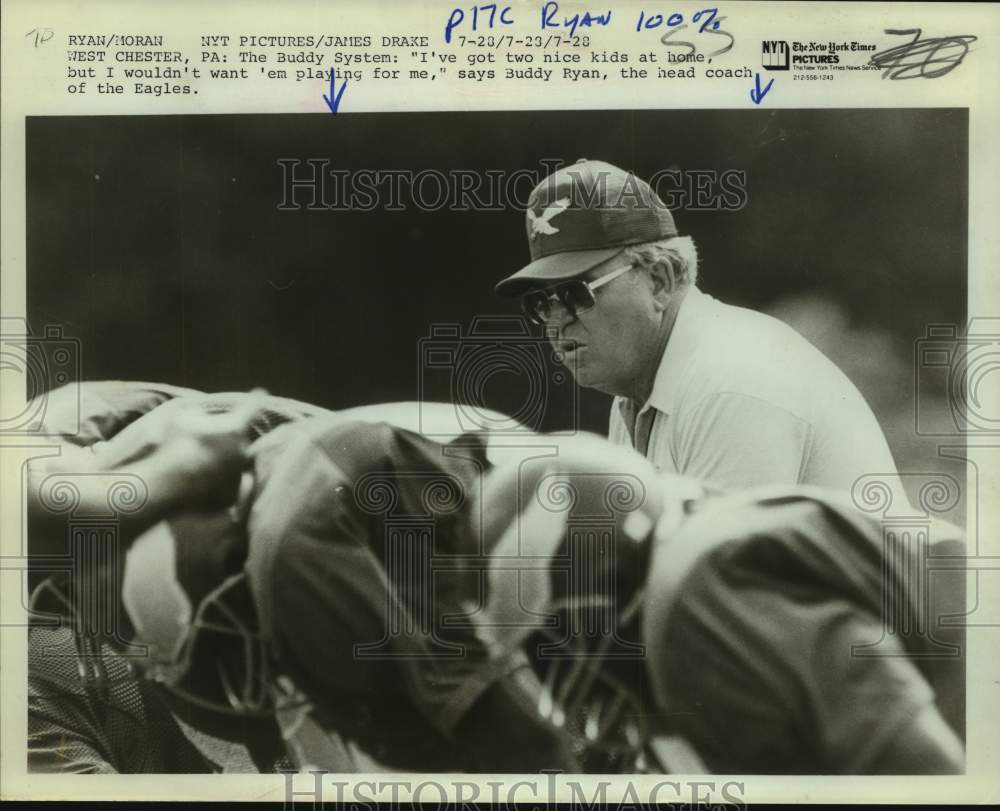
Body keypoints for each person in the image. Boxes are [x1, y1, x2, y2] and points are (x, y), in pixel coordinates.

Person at [478, 438, 966, 774]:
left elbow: (921, 767)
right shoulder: (697, 554)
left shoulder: (697, 592)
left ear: (601, 590)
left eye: (550, 646)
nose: (553, 677)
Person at [493, 159, 899, 493]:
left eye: (576, 294)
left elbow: (723, 579)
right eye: (541, 303)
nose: (556, 322)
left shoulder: (729, 379)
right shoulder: (640, 392)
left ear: (660, 280)